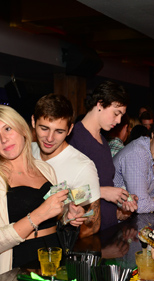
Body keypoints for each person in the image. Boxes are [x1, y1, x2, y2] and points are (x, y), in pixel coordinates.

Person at [0, 105, 84, 279]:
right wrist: (38, 215)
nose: (3, 139)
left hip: (55, 256)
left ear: (22, 129)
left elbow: (53, 217)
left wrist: (67, 215)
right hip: (19, 264)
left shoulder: (45, 168)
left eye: (7, 129)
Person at [68, 81, 137, 230]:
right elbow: (64, 195)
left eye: (121, 115)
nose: (118, 120)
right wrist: (103, 192)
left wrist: (121, 204)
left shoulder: (104, 142)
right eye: (116, 113)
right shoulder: (74, 138)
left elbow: (106, 190)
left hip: (107, 229)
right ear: (100, 104)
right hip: (86, 232)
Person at [31, 94, 101, 237]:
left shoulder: (81, 167)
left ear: (69, 130)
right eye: (44, 128)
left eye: (59, 131)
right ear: (33, 121)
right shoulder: (26, 152)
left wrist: (76, 218)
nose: (50, 138)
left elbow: (93, 224)